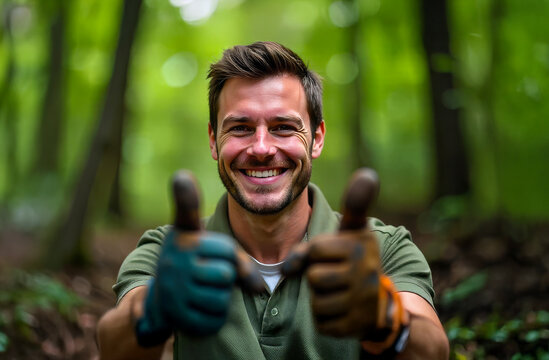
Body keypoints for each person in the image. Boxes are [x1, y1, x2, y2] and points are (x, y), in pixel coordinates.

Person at [96, 41, 449, 359]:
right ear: (213, 140)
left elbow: (432, 348)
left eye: (283, 127)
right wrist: (154, 311)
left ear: (317, 138)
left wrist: (385, 319)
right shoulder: (168, 253)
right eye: (240, 128)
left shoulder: (384, 248)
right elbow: (113, 347)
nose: (262, 148)